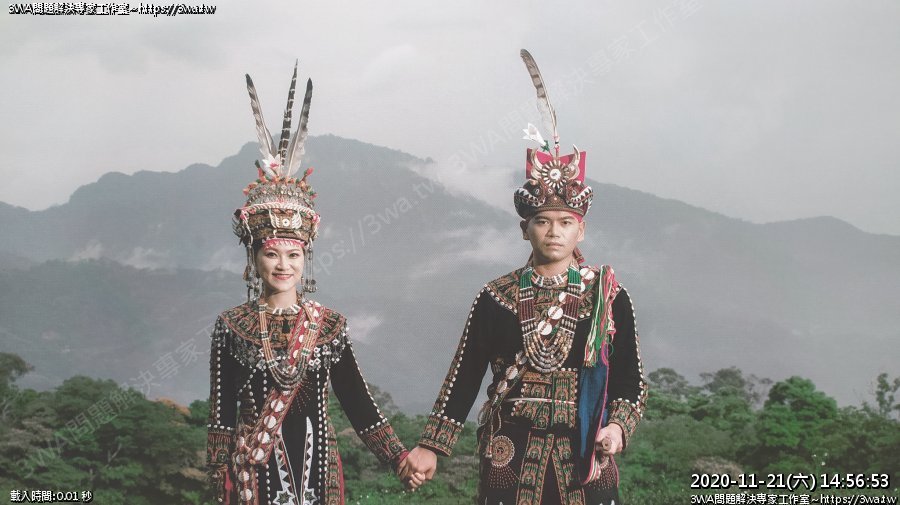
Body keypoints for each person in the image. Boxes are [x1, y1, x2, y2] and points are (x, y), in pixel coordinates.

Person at [402, 50, 649, 504]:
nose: (554, 232)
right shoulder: (496, 296)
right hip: (509, 449)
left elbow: (630, 378)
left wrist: (616, 427)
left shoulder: (607, 295)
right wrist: (431, 445)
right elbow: (465, 374)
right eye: (543, 222)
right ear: (525, 229)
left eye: (565, 222)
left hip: (586, 450)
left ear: (580, 229)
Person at [206, 63, 420, 505]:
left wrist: (399, 458)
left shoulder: (329, 326)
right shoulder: (231, 326)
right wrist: (218, 474)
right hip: (251, 471)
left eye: (293, 255)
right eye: (271, 254)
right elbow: (221, 412)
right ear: (253, 258)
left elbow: (357, 401)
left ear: (306, 258)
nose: (283, 265)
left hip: (317, 467)